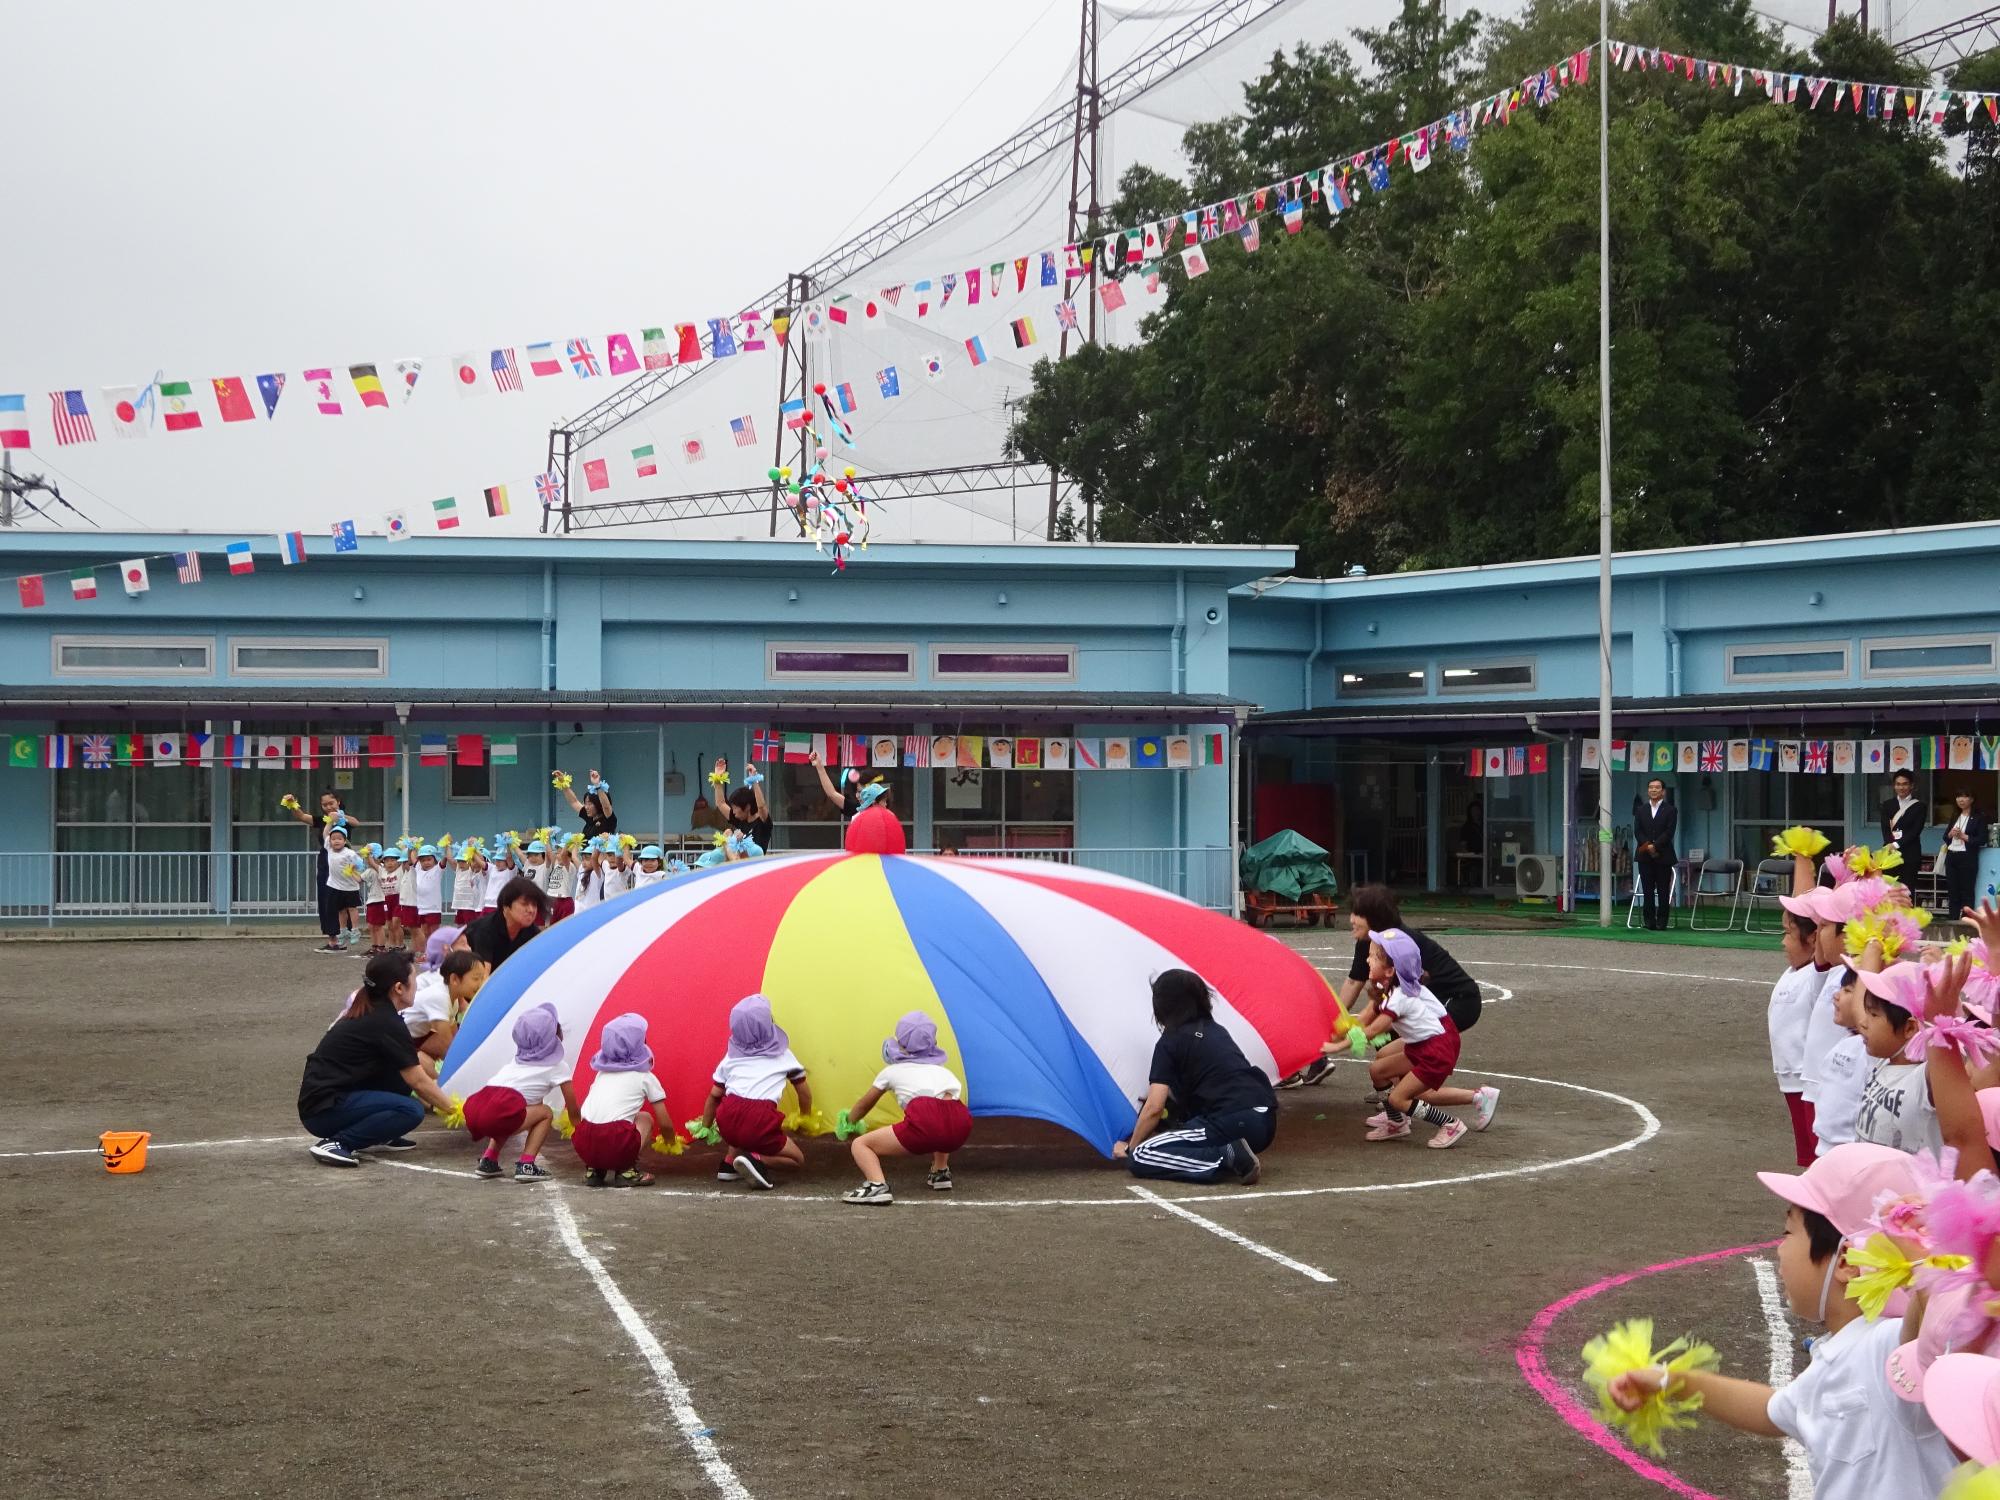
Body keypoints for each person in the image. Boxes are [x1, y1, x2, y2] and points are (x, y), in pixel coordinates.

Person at [1604, 1144, 1956, 1500]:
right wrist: (1672, 1381)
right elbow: (1773, 1410)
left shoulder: (1889, 1346)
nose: (1779, 1248)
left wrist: (1921, 1262)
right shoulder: (1838, 1355)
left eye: (1789, 1233)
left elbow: (1932, 1325)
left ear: (1847, 1260)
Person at [1280, 884, 1481, 1089]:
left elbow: (1376, 1009)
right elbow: (1353, 982)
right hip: (1428, 1001)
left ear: (1374, 918)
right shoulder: (1371, 941)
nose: (1350, 919)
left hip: (1459, 1001)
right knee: (1385, 1042)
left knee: (1393, 1037)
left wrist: (1333, 1041)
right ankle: (1400, 1099)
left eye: (1357, 914)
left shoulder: (1396, 944)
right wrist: (1332, 1021)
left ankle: (1411, 1099)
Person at [297, 950, 454, 1167]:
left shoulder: (378, 1010)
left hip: (331, 1098)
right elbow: (419, 1080)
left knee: (400, 1074)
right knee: (411, 1110)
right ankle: (338, 1143)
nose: (417, 985)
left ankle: (384, 1132)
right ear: (399, 988)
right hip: (322, 1110)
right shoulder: (384, 1020)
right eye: (413, 979)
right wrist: (457, 1110)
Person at [1117, 968, 1272, 1185]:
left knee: (1142, 1154)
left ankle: (1226, 1155)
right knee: (1182, 1131)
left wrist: (1129, 1147)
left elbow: (1154, 1108)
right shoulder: (1217, 1030)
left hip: (1232, 1121)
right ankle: (1231, 1151)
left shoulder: (1169, 1042)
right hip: (1264, 1120)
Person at [1352, 929, 1495, 1148]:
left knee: (1403, 1097)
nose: (1367, 959)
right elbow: (1367, 1019)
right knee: (1379, 1070)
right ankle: (1397, 1120)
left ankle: (1451, 1122)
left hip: (1436, 1049)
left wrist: (1336, 1043)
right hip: (1424, 1044)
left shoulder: (1399, 997)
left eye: (1372, 956)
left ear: (1390, 970)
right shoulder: (1392, 988)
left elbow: (1371, 1030)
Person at [839, 1012, 971, 1206]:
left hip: (925, 1121)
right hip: (959, 1123)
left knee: (861, 1145)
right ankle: (940, 1172)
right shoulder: (945, 1072)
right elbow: (946, 1112)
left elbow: (865, 1104)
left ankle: (876, 1185)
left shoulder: (891, 1072)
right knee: (942, 1119)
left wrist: (849, 1121)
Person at [697, 994, 811, 1190]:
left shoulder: (731, 1057)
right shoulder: (783, 1055)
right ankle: (757, 1160)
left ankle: (728, 1164)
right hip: (760, 1119)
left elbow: (715, 1095)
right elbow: (803, 1092)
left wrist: (705, 1126)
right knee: (797, 1160)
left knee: (740, 1126)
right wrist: (805, 1118)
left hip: (728, 1117)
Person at [462, 1001, 578, 1183]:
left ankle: (488, 1159)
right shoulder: (558, 1066)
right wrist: (578, 1129)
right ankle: (527, 1164)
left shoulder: (515, 1062)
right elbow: (572, 1105)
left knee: (518, 1111)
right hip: (499, 1112)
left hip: (477, 1109)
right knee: (545, 1112)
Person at [573, 1012, 672, 1188]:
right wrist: (670, 1141)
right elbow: (664, 1122)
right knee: (645, 1118)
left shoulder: (601, 1074)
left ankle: (594, 1170)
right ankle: (626, 1170)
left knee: (618, 1118)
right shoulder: (644, 1076)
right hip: (615, 1141)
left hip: (584, 1141)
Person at [288, 790, 371, 952]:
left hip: (345, 864)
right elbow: (302, 816)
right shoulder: (321, 820)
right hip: (327, 863)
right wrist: (292, 803)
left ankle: (344, 937)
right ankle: (333, 940)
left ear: (338, 802)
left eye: (331, 803)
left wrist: (340, 817)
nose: (328, 807)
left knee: (345, 902)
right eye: (324, 804)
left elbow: (356, 822)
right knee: (327, 900)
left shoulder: (343, 820)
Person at [402, 930, 471, 1071]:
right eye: (463, 944)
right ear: (446, 950)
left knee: (459, 1053)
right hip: (406, 1036)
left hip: (420, 1032)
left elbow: (457, 1022)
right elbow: (448, 1042)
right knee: (436, 1067)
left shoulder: (447, 981)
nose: (469, 948)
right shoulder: (440, 985)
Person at [460, 876, 547, 972]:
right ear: (506, 907)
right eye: (524, 904)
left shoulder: (533, 934)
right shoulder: (486, 930)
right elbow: (482, 978)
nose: (531, 910)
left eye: (534, 905)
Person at [1632, 777, 1678, 930]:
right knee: (1647, 890)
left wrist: (1655, 846)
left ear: (1663, 791)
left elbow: (1669, 832)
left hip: (1663, 855)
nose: (1653, 790)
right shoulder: (1641, 810)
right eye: (1651, 787)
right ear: (1647, 790)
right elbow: (1637, 831)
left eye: (1657, 787)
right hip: (1644, 855)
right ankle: (1649, 921)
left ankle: (1662, 921)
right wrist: (1647, 845)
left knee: (1663, 890)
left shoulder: (1671, 810)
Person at [317, 826, 365, 955]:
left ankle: (355, 929)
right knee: (340, 910)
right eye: (333, 839)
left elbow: (361, 864)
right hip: (334, 885)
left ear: (345, 841)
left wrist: (353, 867)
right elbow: (325, 833)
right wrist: (330, 821)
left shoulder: (349, 853)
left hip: (350, 886)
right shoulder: (329, 849)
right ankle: (342, 931)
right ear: (330, 841)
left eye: (339, 838)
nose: (336, 841)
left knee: (352, 908)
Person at [1944, 789, 1989, 921]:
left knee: (1967, 891)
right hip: (1952, 856)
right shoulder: (1955, 815)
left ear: (1972, 799)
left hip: (1967, 857)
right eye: (1958, 796)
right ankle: (1952, 920)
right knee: (1953, 891)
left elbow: (1982, 839)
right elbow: (1945, 837)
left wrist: (1964, 836)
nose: (1961, 800)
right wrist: (1950, 834)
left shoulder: (1979, 817)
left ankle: (1966, 920)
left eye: (1965, 797)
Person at [714, 758, 772, 849]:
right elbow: (720, 803)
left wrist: (754, 779)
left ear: (747, 806)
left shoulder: (762, 821)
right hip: (740, 861)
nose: (733, 812)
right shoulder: (740, 820)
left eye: (735, 808)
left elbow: (761, 806)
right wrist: (718, 779)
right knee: (727, 833)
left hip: (757, 861)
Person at [1882, 770, 1927, 876]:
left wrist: (1896, 844)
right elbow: (1885, 828)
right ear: (1894, 786)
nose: (1901, 788)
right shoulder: (1887, 805)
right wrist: (1890, 844)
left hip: (1910, 854)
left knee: (1907, 890)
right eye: (1898, 784)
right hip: (1890, 853)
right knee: (1889, 889)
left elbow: (1915, 831)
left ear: (1911, 785)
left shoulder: (1920, 806)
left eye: (1905, 784)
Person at [558, 771, 617, 840]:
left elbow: (606, 807)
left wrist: (597, 786)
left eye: (590, 803)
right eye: (585, 803)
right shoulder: (589, 817)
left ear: (598, 804)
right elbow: (574, 802)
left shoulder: (608, 818)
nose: (586, 807)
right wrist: (563, 783)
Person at [449, 847, 483, 927]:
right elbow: (450, 859)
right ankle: (461, 939)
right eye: (459, 861)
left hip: (469, 906)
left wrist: (474, 848)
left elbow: (479, 862)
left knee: (470, 928)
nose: (460, 864)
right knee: (459, 927)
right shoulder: (458, 870)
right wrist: (447, 844)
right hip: (459, 905)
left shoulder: (472, 870)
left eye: (464, 861)